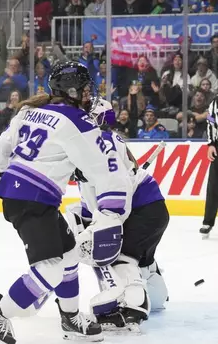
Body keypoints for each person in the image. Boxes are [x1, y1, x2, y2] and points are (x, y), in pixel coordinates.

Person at [0, 61, 132, 343]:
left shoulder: (30, 110)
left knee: (69, 254)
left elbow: (3, 147)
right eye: (86, 90)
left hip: (26, 197)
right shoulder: (77, 120)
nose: (89, 95)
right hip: (32, 200)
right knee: (49, 268)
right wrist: (112, 211)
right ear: (72, 91)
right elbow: (105, 168)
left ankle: (70, 318)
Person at [67, 98, 169, 333]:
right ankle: (156, 294)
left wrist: (100, 228)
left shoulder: (102, 142)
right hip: (151, 209)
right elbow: (90, 200)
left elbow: (118, 192)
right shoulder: (98, 144)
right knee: (141, 262)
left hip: (141, 210)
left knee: (119, 256)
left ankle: (133, 306)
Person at [201, 96, 218, 236]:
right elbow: (210, 120)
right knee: (213, 186)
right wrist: (211, 144)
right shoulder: (215, 102)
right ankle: (208, 221)